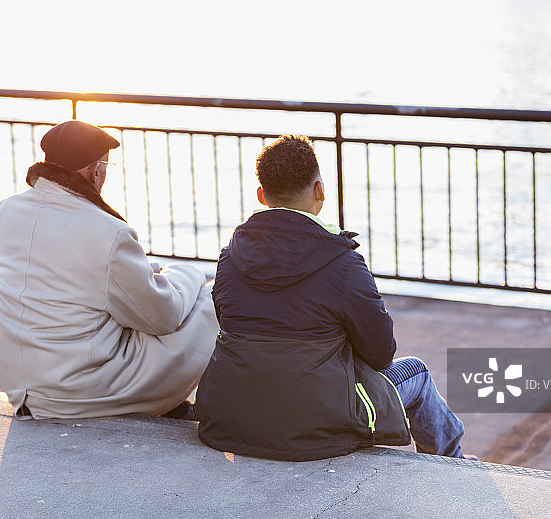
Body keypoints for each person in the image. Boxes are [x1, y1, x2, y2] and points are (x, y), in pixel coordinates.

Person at [195, 135, 466, 461]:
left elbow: (239, 327)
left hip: (230, 420)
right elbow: (381, 355)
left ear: (261, 195)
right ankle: (453, 468)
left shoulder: (229, 258)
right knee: (417, 374)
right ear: (320, 191)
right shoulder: (343, 263)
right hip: (317, 429)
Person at [0, 120, 217, 420]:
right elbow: (162, 316)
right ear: (96, 169)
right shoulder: (108, 230)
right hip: (74, 391)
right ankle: (190, 403)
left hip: (18, 382)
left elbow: (70, 274)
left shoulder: (8, 209)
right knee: (213, 299)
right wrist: (190, 274)